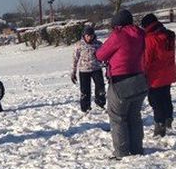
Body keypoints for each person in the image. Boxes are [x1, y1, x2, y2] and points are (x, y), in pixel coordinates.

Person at [96, 9, 147, 159]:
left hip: (120, 81)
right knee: (135, 116)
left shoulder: (118, 35)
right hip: (139, 78)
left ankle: (122, 153)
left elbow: (100, 55)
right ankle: (137, 148)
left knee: (118, 118)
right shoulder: (142, 34)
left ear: (117, 24)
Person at [141, 13, 176, 137]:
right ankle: (168, 119)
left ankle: (159, 124)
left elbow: (147, 59)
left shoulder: (151, 39)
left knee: (156, 101)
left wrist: (142, 72)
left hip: (155, 76)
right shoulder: (169, 36)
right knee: (166, 97)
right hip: (169, 73)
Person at [71, 26, 106, 112]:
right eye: (87, 36)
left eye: (91, 36)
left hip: (96, 69)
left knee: (100, 87)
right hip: (84, 70)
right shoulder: (79, 45)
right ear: (84, 35)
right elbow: (75, 59)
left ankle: (100, 103)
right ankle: (85, 106)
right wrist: (73, 72)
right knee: (85, 90)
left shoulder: (98, 44)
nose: (89, 37)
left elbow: (105, 55)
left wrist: (106, 65)